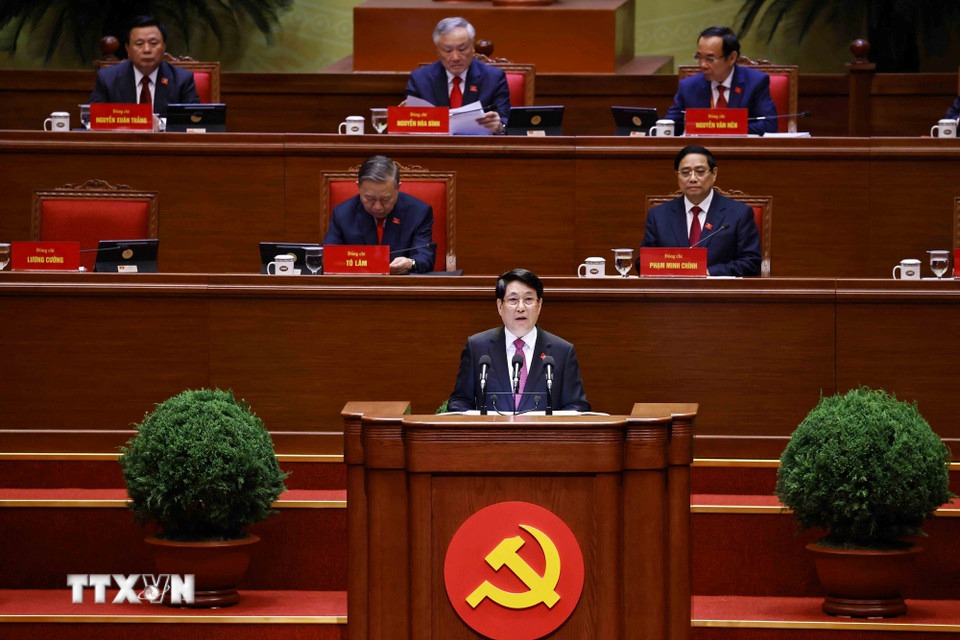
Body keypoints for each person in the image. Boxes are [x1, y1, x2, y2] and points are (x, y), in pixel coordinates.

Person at [447, 268, 590, 413]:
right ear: (500, 306)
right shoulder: (477, 347)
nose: (521, 308)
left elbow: (576, 407)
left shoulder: (562, 352)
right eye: (513, 300)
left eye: (528, 299)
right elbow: (460, 402)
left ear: (539, 305)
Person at [640, 145, 761, 277]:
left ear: (714, 173)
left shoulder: (739, 214)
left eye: (700, 171)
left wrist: (708, 272)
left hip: (719, 293)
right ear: (677, 176)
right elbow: (643, 262)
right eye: (685, 172)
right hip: (672, 292)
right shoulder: (658, 215)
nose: (692, 178)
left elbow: (751, 262)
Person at [323, 155, 436, 274]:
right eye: (370, 198)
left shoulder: (419, 212)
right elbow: (329, 257)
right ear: (358, 187)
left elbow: (425, 256)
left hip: (401, 286)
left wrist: (409, 263)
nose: (378, 207)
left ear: (398, 188)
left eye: (385, 199)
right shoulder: (342, 213)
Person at [405, 16, 511, 134]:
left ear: (472, 48)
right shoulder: (420, 79)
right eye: (448, 50)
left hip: (479, 149)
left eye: (462, 49)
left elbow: (506, 123)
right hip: (434, 149)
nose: (455, 58)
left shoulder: (493, 78)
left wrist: (499, 126)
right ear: (438, 51)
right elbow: (411, 126)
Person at [665, 26, 777, 136]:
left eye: (710, 59)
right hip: (700, 151)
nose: (703, 65)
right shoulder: (689, 86)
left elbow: (769, 125)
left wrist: (719, 128)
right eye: (699, 57)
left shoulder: (755, 82)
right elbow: (670, 125)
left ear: (732, 58)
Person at [89, 16, 200, 115]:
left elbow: (193, 121)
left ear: (164, 47)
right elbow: (91, 120)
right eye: (139, 44)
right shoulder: (107, 79)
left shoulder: (182, 80)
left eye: (153, 43)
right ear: (128, 49)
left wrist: (159, 125)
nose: (147, 50)